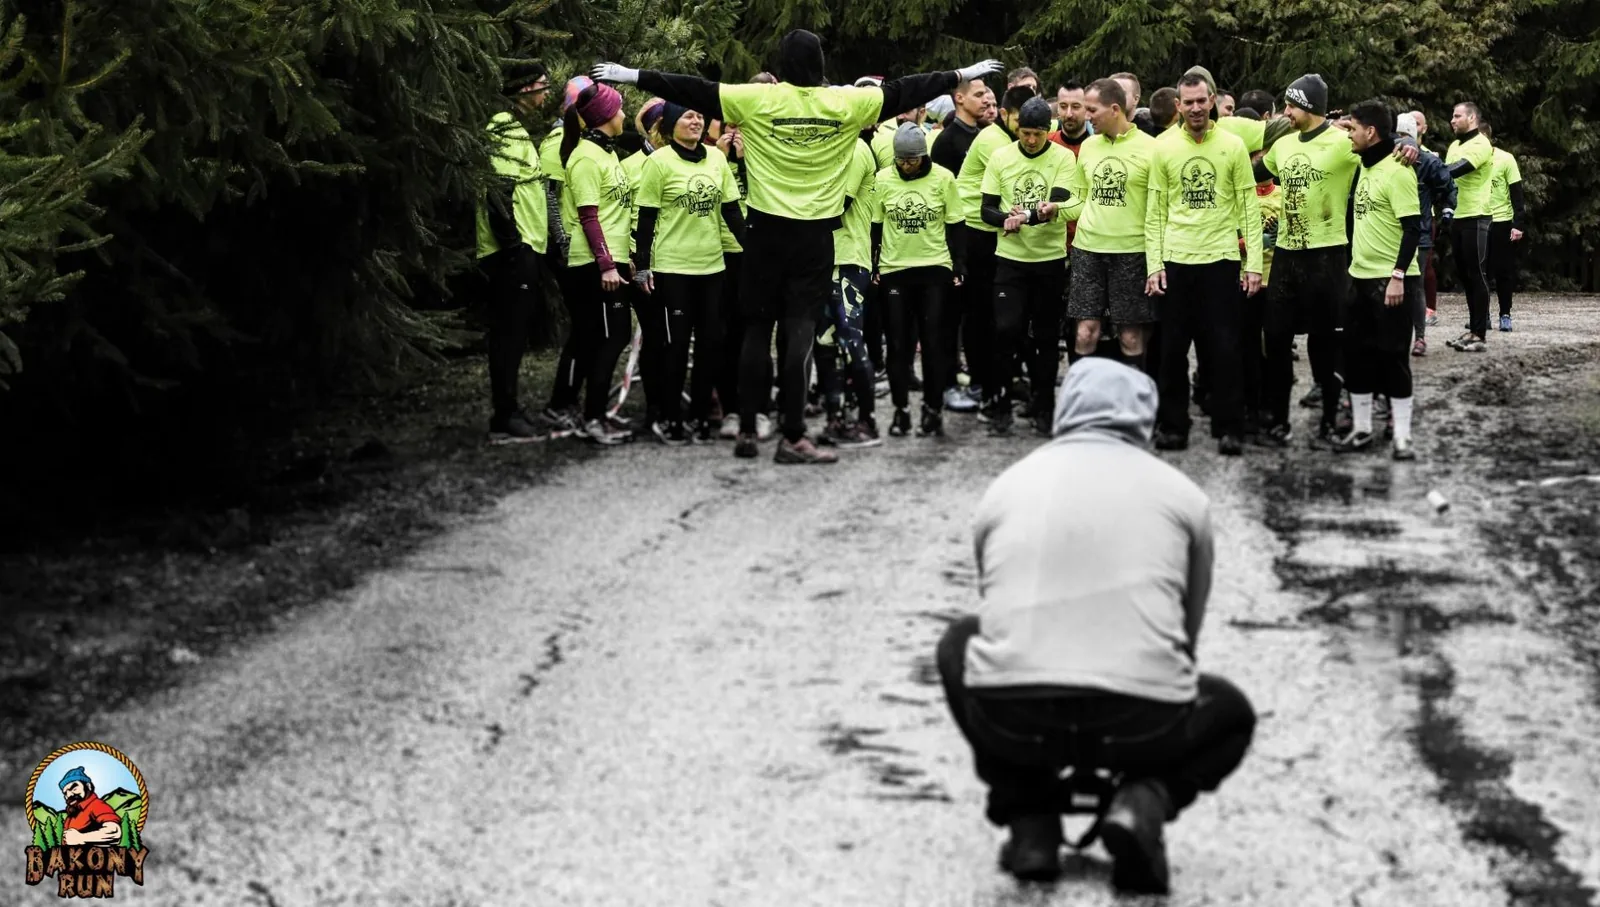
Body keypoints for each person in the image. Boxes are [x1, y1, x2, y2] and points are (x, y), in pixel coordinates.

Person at [592, 33, 1001, 464]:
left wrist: (631, 75)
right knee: (800, 332)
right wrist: (960, 74)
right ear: (820, 64)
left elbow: (692, 89)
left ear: (782, 64)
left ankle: (747, 427)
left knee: (756, 332)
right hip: (814, 237)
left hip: (764, 232)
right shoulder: (844, 103)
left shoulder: (757, 99)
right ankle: (792, 435)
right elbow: (907, 90)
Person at [937, 358, 1256, 892]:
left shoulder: (1007, 487)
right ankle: (1142, 802)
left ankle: (1030, 819)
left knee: (959, 643)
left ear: (1067, 409)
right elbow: (1186, 631)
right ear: (1144, 416)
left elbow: (994, 607)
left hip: (1017, 715)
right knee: (1231, 714)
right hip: (1140, 720)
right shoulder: (1184, 497)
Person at [1145, 74, 1262, 455]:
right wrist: (1154, 265)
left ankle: (1229, 426)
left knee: (1225, 350)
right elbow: (1154, 211)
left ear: (1212, 101)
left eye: (1201, 101)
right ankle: (1173, 425)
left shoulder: (1233, 146)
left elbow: (1248, 207)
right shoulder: (1163, 147)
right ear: (1178, 105)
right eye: (1188, 102)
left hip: (1221, 260)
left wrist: (1253, 264)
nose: (1195, 109)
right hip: (1176, 261)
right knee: (1171, 351)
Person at [1253, 74, 1363, 445]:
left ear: (1310, 106)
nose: (1285, 112)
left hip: (1326, 256)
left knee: (1324, 342)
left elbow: (1382, 146)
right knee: (1276, 338)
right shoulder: (1283, 145)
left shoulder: (1342, 143)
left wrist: (1407, 145)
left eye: (1291, 105)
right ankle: (1278, 421)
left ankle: (1329, 422)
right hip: (1287, 256)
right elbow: (1251, 174)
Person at [633, 102, 746, 444]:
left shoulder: (716, 160)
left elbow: (731, 212)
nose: (696, 121)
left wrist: (755, 253)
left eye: (699, 116)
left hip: (712, 267)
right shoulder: (659, 162)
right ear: (671, 125)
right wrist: (643, 267)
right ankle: (672, 419)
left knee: (711, 346)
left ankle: (699, 417)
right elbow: (647, 218)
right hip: (673, 269)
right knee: (676, 346)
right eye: (688, 116)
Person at [981, 96, 1085, 436]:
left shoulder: (1063, 157)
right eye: (1024, 133)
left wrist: (1025, 216)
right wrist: (1004, 219)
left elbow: (1055, 204)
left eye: (1037, 134)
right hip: (1010, 260)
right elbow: (986, 209)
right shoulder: (1001, 156)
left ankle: (1044, 407)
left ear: (1047, 131)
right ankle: (1000, 405)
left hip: (1048, 261)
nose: (1030, 140)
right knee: (1005, 330)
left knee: (1045, 337)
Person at [1337, 101, 1423, 460]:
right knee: (1357, 357)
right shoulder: (1363, 164)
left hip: (1391, 281)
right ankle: (1361, 429)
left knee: (1393, 358)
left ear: (1370, 132)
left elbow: (1413, 229)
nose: (1350, 135)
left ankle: (1402, 437)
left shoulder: (1399, 171)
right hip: (1359, 278)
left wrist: (1398, 276)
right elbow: (1333, 131)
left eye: (1354, 129)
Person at [552, 81, 636, 445]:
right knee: (610, 337)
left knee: (611, 337)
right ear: (607, 115)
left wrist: (625, 257)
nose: (624, 115)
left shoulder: (607, 153)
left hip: (613, 259)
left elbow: (616, 213)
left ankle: (596, 414)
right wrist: (606, 265)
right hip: (593, 265)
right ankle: (593, 417)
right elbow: (589, 217)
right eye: (619, 109)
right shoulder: (586, 157)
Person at [478, 62, 555, 444]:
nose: (546, 92)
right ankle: (504, 417)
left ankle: (510, 410)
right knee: (508, 335)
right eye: (542, 84)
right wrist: (513, 246)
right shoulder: (504, 127)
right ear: (525, 89)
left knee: (516, 333)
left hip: (525, 245)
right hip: (512, 249)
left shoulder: (515, 128)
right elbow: (499, 190)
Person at [873, 123, 966, 437]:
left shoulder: (943, 178)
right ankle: (901, 410)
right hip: (894, 268)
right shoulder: (883, 179)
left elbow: (956, 224)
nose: (906, 166)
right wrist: (874, 264)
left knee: (932, 342)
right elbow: (876, 226)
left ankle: (932, 409)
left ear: (923, 156)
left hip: (934, 268)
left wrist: (958, 265)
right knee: (897, 344)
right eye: (901, 160)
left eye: (912, 160)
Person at [1067, 78, 1159, 371]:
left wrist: (1156, 262)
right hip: (1087, 249)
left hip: (1132, 252)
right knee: (1085, 332)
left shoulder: (1152, 148)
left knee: (1131, 336)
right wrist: (1053, 210)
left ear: (1115, 109)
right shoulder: (1089, 146)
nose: (1087, 116)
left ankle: (1132, 397)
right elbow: (1079, 200)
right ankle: (1083, 397)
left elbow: (1158, 210)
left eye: (1092, 110)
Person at [956, 85, 1035, 421]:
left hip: (996, 230)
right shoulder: (994, 141)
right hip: (975, 230)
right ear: (1004, 114)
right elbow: (1012, 186)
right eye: (1019, 120)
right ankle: (981, 384)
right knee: (980, 312)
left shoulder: (1011, 138)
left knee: (1000, 313)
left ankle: (1003, 379)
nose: (1024, 128)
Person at [932, 76, 997, 413]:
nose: (986, 99)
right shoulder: (946, 141)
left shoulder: (984, 135)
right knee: (950, 317)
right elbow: (938, 195)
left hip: (981, 240)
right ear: (959, 98)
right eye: (979, 94)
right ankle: (945, 385)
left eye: (987, 93)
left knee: (978, 314)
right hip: (954, 241)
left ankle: (978, 379)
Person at [816, 123, 883, 448]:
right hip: (821, 260)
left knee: (850, 338)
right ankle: (836, 418)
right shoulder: (826, 149)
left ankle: (866, 421)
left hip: (849, 259)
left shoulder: (855, 149)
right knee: (825, 342)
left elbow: (836, 205)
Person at [1395, 113, 1455, 357]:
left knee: (1415, 284)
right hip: (1389, 232)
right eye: (1396, 136)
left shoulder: (1428, 161)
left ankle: (1419, 338)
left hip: (1418, 232)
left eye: (1404, 136)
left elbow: (1448, 186)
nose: (1400, 141)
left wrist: (1448, 209)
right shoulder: (1384, 158)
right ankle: (1393, 337)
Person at [1443, 101, 1495, 352]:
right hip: (1458, 216)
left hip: (1477, 216)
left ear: (1472, 118)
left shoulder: (1481, 144)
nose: (1452, 120)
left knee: (1477, 275)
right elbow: (1447, 181)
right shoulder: (1454, 145)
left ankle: (1480, 334)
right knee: (1464, 276)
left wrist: (1430, 168)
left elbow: (1457, 170)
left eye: (1457, 116)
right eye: (1452, 116)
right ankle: (1473, 330)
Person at [1481, 122, 1526, 332]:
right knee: (1479, 272)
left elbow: (1517, 194)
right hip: (1478, 220)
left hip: (1501, 221)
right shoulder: (1469, 161)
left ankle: (1505, 314)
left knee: (1503, 271)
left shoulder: (1506, 159)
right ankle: (1482, 316)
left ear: (1488, 138)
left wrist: (1518, 224)